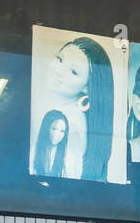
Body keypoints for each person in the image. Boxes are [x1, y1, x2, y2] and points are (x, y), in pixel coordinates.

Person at [43, 36, 114, 181]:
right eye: (59, 59)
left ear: (87, 87)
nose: (58, 71)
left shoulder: (69, 123)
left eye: (73, 71)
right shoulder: (66, 115)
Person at [32, 109, 70, 178]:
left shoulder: (68, 157)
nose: (57, 134)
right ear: (46, 128)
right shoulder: (33, 151)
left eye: (62, 131)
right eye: (54, 129)